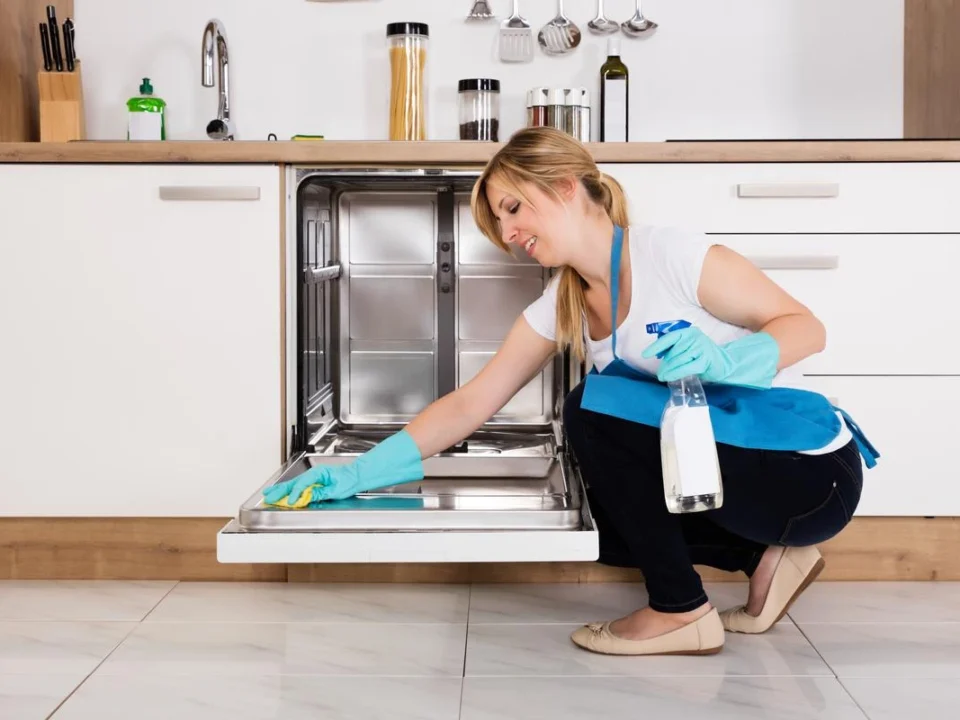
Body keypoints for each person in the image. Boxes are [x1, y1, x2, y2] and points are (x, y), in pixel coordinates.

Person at [263, 127, 878, 657]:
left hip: (809, 472)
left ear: (562, 185)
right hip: (751, 489)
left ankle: (680, 611)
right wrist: (356, 474)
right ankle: (764, 558)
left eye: (512, 209)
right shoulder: (565, 303)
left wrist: (728, 358)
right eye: (498, 223)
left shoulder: (671, 255)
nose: (508, 234)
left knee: (589, 405)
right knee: (599, 519)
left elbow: (807, 327)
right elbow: (472, 402)